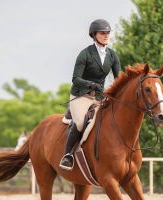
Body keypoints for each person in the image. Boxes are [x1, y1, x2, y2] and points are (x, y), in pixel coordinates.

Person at [59, 19, 121, 170]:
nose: (106, 35)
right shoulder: (85, 54)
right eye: (102, 33)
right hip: (81, 95)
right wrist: (90, 84)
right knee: (80, 123)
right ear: (94, 35)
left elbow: (119, 78)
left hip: (99, 97)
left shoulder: (112, 55)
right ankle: (68, 156)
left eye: (108, 33)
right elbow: (75, 79)